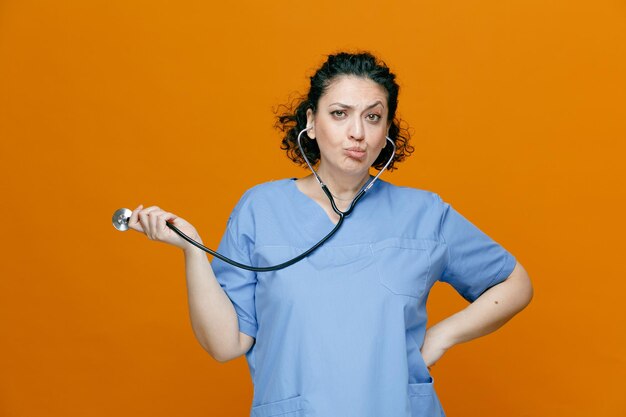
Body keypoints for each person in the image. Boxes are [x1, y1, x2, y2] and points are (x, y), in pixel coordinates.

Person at [127, 52, 533, 417]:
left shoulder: (425, 214)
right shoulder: (260, 209)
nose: (357, 132)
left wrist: (444, 335)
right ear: (310, 121)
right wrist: (193, 251)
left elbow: (515, 283)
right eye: (340, 113)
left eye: (373, 117)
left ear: (387, 130)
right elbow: (225, 344)